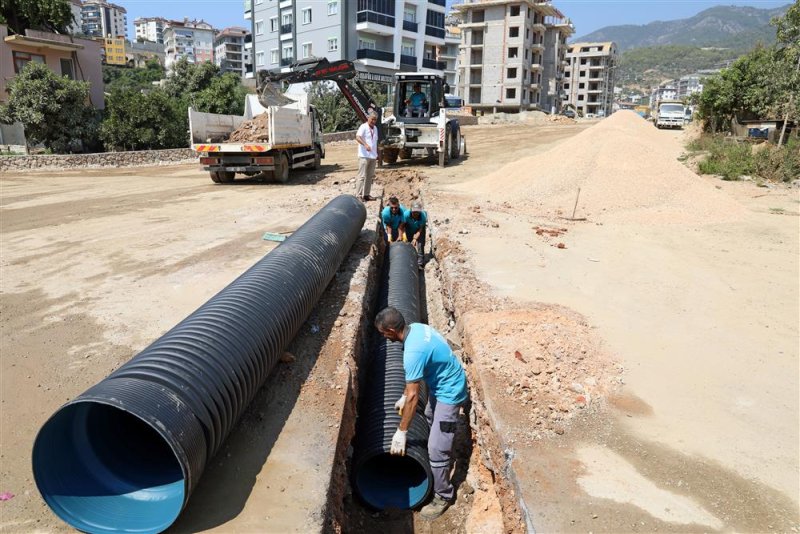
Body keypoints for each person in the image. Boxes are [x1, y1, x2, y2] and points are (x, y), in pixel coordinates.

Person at [374, 306, 468, 520]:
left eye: (383, 333)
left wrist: (402, 431)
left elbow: (415, 394)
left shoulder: (413, 352)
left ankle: (443, 494)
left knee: (437, 447)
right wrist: (403, 396)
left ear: (390, 330)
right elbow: (412, 387)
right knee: (429, 416)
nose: (383, 338)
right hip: (441, 383)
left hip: (449, 392)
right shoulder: (416, 328)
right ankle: (437, 456)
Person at [355, 111, 379, 201]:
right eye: (372, 119)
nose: (373, 121)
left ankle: (366, 195)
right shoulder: (363, 127)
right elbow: (358, 137)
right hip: (364, 156)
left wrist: (377, 154)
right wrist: (365, 145)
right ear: (368, 118)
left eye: (375, 120)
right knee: (361, 176)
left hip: (372, 156)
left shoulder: (375, 128)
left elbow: (375, 142)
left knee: (369, 176)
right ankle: (358, 195)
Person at [403, 201, 427, 270]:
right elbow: (402, 226)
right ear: (411, 210)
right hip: (408, 228)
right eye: (414, 212)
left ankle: (420, 263)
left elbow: (420, 229)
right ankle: (407, 259)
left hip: (419, 229)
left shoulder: (423, 217)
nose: (416, 214)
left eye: (417, 212)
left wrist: (415, 238)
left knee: (420, 244)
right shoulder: (406, 215)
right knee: (407, 242)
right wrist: (404, 236)